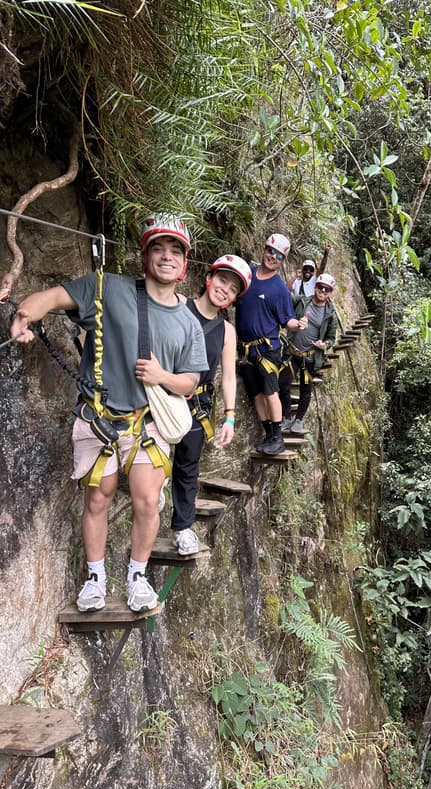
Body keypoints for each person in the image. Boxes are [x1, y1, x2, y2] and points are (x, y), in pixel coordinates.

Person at [10, 215, 208, 613]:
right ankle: (95, 578)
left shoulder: (189, 323)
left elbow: (190, 382)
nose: (166, 257)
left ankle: (137, 576)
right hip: (98, 418)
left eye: (175, 251)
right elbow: (53, 297)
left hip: (146, 423)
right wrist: (24, 314)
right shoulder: (107, 289)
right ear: (145, 254)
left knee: (148, 502)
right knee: (97, 501)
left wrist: (161, 375)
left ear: (184, 263)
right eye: (158, 248)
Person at [171, 254, 251, 556]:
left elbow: (228, 377)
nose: (224, 290)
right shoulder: (178, 305)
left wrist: (229, 417)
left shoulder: (227, 332)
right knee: (152, 462)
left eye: (232, 289)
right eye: (222, 281)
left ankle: (182, 526)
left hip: (198, 402)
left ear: (233, 300)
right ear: (209, 278)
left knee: (188, 466)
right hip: (163, 394)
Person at [235, 233, 308, 455]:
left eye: (278, 255)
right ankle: (269, 434)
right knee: (256, 394)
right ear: (264, 249)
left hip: (267, 350)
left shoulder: (279, 289)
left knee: (270, 393)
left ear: (283, 260)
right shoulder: (248, 275)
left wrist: (300, 324)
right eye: (270, 251)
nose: (272, 257)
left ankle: (277, 437)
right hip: (246, 349)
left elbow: (287, 321)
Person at [279, 272, 338, 434]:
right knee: (282, 384)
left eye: (327, 289)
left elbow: (331, 338)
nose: (323, 291)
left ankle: (298, 420)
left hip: (310, 357)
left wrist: (324, 344)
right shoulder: (302, 301)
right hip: (292, 353)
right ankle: (285, 417)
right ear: (315, 287)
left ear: (330, 292)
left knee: (306, 389)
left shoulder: (330, 314)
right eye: (320, 287)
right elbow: (284, 296)